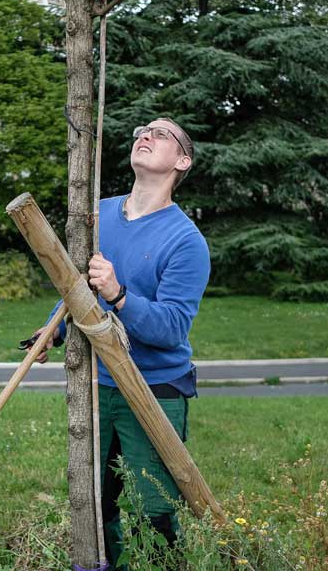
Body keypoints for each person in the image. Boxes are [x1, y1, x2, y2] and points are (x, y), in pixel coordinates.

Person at [29, 117, 210, 568]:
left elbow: (171, 329)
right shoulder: (99, 213)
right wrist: (55, 325)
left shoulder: (187, 240)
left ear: (182, 160)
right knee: (95, 504)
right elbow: (75, 289)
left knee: (155, 509)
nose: (145, 136)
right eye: (141, 132)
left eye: (161, 134)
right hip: (97, 383)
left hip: (154, 387)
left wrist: (119, 295)